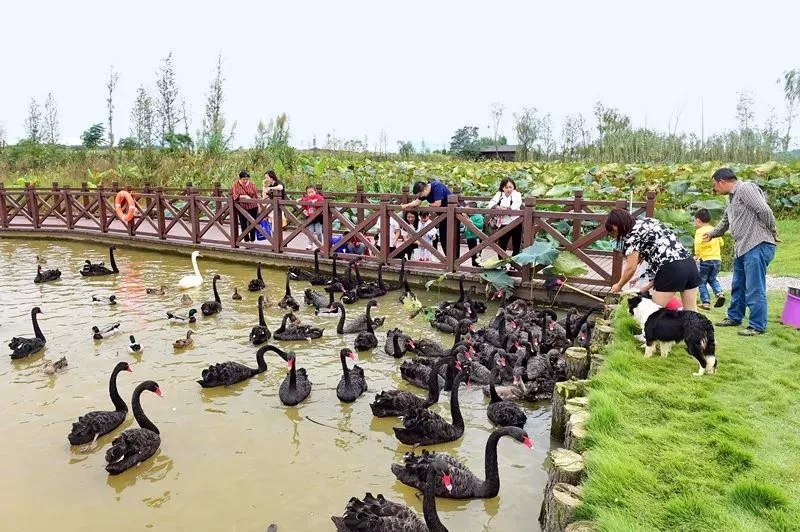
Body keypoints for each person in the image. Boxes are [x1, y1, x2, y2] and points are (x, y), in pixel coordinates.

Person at [703, 167, 778, 336]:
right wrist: (713, 233)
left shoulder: (746, 188)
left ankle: (757, 326)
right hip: (742, 247)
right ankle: (734, 317)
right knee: (738, 285)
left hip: (757, 244)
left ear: (721, 181)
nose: (715, 188)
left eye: (715, 184)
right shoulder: (732, 198)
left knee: (754, 287)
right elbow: (725, 221)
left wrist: (773, 230)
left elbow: (764, 210)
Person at [606, 208, 699, 311]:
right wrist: (646, 286)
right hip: (689, 264)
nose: (615, 236)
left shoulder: (631, 237)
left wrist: (619, 285)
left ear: (616, 225)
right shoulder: (649, 221)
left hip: (671, 269)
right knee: (691, 314)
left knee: (652, 315)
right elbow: (656, 257)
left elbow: (631, 268)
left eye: (613, 232)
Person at [401, 179, 459, 258]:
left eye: (420, 194)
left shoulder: (437, 187)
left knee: (453, 238)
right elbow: (417, 202)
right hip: (443, 216)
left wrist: (428, 206)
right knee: (443, 238)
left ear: (424, 190)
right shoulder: (425, 192)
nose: (420, 196)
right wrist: (406, 205)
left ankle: (455, 260)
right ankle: (448, 259)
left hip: (454, 215)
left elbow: (437, 204)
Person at [693, 208, 726, 311]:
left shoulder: (699, 231)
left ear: (698, 220)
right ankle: (719, 293)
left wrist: (697, 255)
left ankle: (706, 302)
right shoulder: (714, 229)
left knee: (701, 281)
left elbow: (698, 243)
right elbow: (721, 243)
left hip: (705, 259)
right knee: (712, 279)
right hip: (717, 259)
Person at [486, 178, 524, 257]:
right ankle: (502, 262)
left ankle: (514, 264)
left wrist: (505, 209)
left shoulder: (517, 194)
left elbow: (516, 205)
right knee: (502, 244)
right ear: (502, 188)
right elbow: (491, 204)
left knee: (516, 244)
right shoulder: (499, 194)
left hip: (516, 222)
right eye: (506, 187)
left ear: (514, 187)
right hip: (503, 222)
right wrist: (497, 207)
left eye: (510, 187)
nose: (509, 189)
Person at [231, 170, 260, 242]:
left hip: (253, 206)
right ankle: (246, 240)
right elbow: (234, 196)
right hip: (242, 207)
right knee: (243, 224)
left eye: (247, 179)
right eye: (244, 179)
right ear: (240, 179)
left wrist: (259, 206)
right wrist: (244, 196)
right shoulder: (236, 185)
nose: (245, 181)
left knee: (253, 223)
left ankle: (252, 240)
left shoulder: (252, 184)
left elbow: (256, 196)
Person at [300, 185, 324, 250]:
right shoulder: (307, 198)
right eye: (309, 193)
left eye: (312, 192)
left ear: (315, 191)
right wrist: (300, 200)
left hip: (318, 217)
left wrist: (316, 201)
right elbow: (303, 202)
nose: (310, 194)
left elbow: (322, 200)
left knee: (318, 231)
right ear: (307, 193)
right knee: (310, 232)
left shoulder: (318, 197)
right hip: (310, 218)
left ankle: (320, 244)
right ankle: (310, 244)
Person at [464, 201, 484, 266]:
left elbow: (480, 225)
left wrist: (472, 223)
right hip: (469, 237)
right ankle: (473, 264)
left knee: (477, 252)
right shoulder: (468, 216)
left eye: (467, 209)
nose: (466, 211)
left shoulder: (478, 216)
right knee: (471, 252)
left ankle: (478, 264)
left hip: (476, 237)